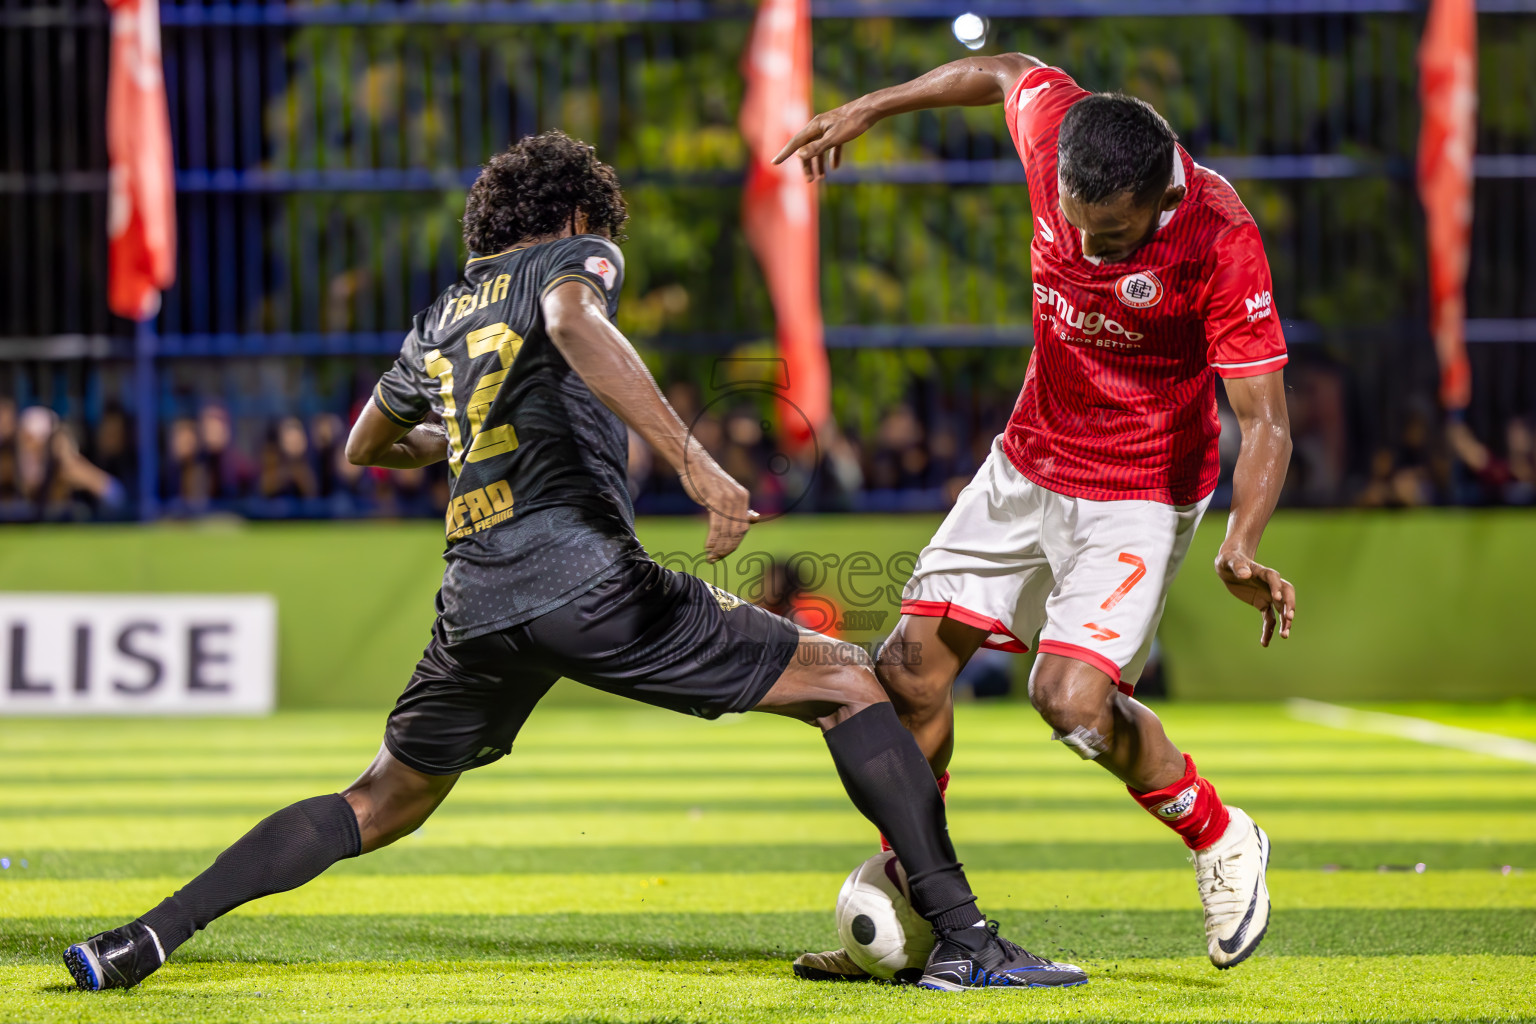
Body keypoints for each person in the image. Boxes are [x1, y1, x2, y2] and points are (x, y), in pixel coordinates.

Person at [62, 130, 1084, 994]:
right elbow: (572, 321)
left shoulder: (440, 316)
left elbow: (363, 446)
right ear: (569, 219)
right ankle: (967, 940)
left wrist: (458, 443)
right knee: (855, 684)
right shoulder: (571, 263)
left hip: (477, 599)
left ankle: (149, 934)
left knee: (380, 800)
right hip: (585, 576)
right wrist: (699, 463)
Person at [776, 53, 1295, 978]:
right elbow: (1005, 70)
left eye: (1115, 235)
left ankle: (1221, 836)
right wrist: (871, 106)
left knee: (1067, 701)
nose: (1090, 252)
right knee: (906, 673)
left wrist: (1240, 544)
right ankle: (924, 892)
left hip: (1137, 490)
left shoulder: (1219, 234)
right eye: (1079, 227)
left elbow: (1266, 421)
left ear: (1159, 189)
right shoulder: (1058, 131)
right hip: (1027, 460)